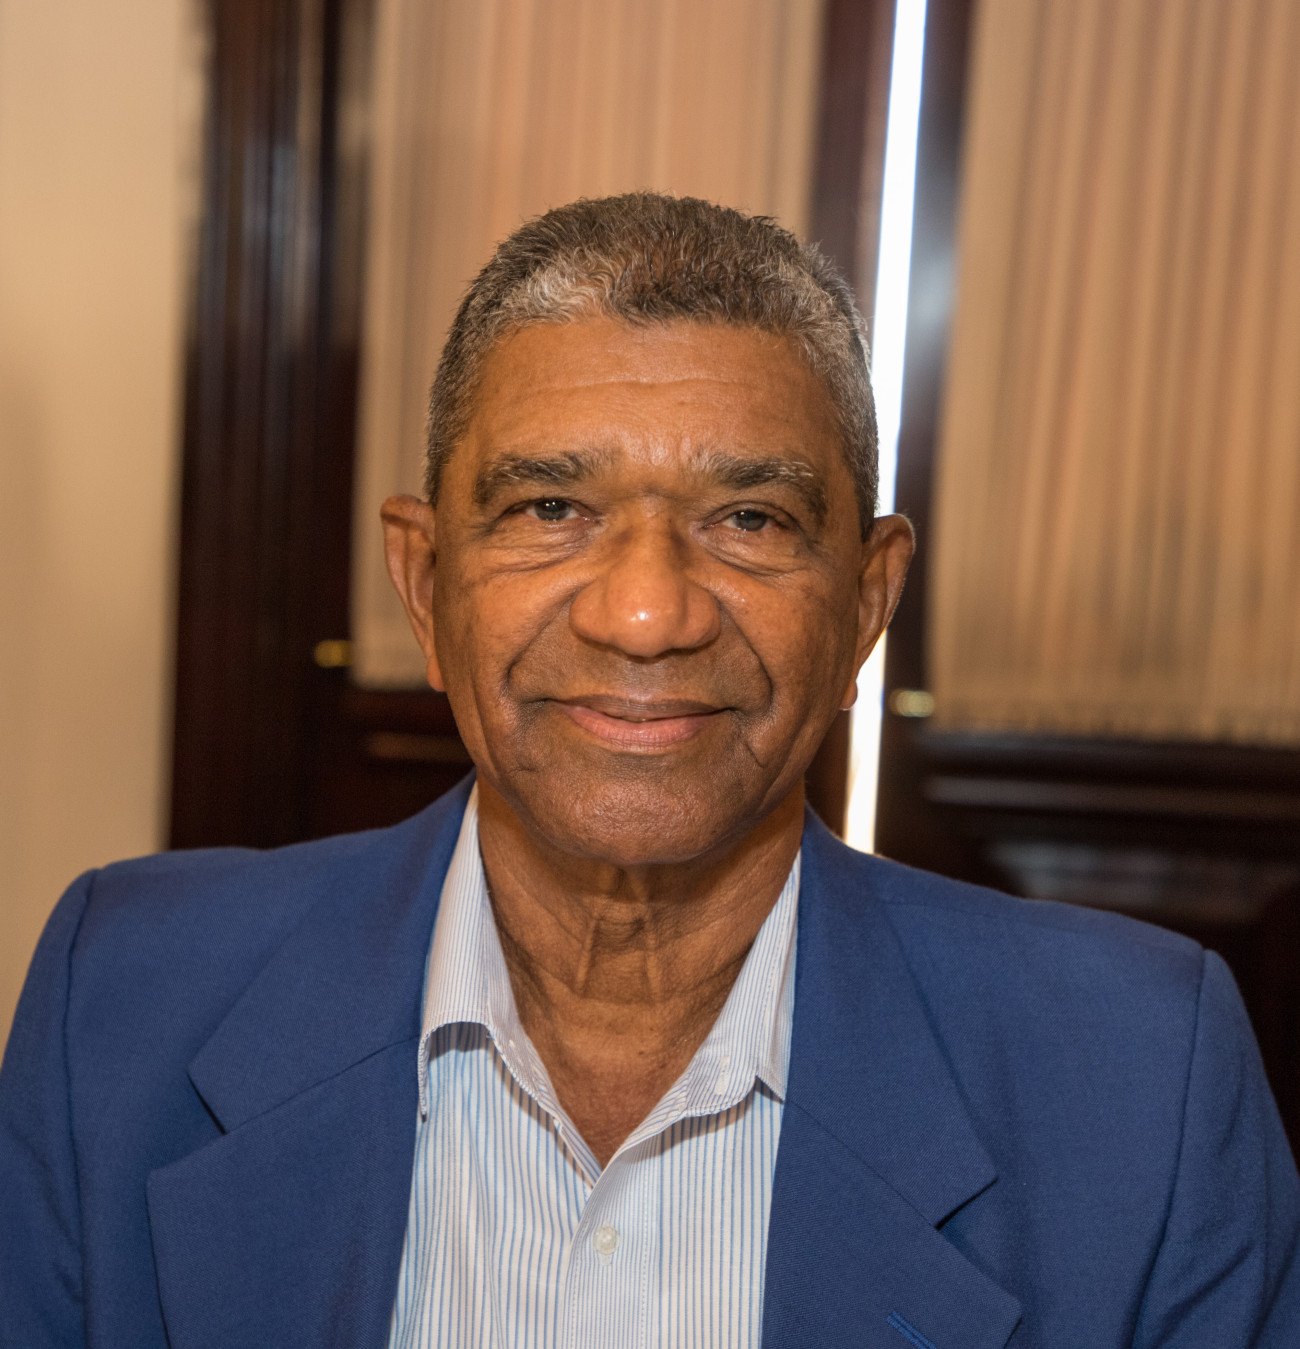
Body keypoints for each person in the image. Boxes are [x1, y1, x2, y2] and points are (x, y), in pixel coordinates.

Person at [1, 194, 1297, 1349]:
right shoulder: (122, 1001)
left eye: (749, 519)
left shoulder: (1138, 1083)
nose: (644, 613)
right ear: (425, 581)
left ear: (865, 604)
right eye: (549, 509)